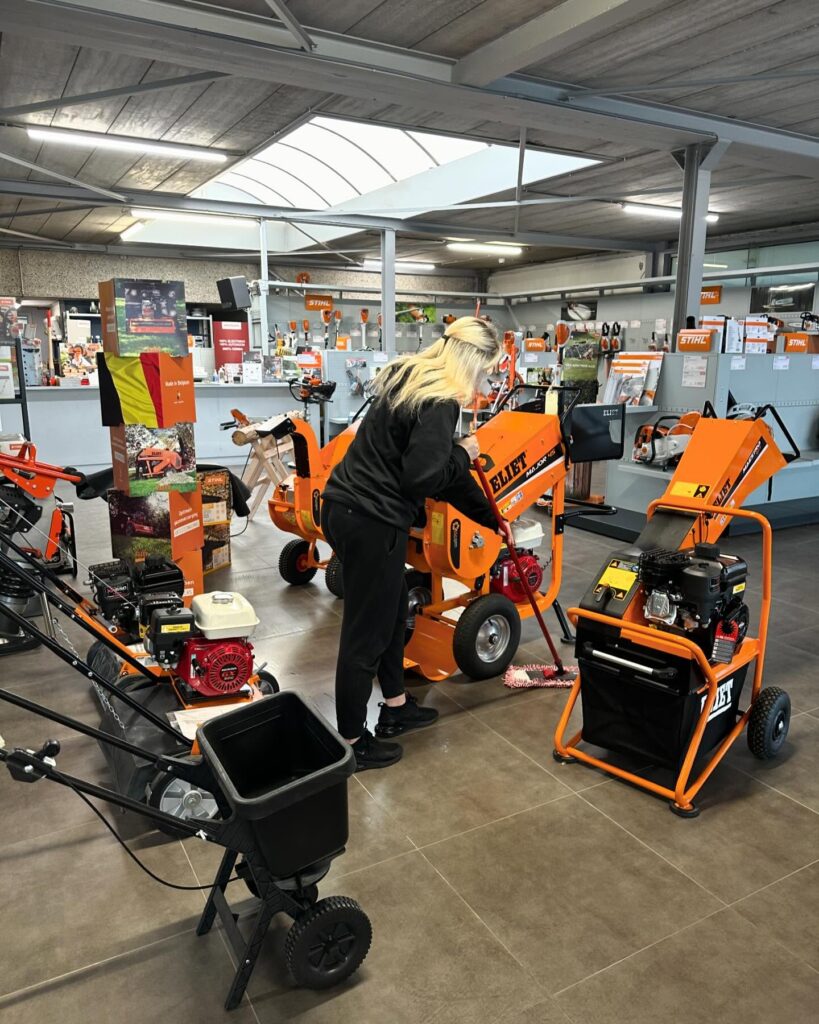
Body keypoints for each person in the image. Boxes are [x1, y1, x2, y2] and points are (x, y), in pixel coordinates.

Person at [322, 316, 510, 771]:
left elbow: (446, 474)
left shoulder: (408, 377)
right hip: (372, 520)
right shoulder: (441, 400)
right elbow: (423, 477)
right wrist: (463, 452)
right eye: (486, 370)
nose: (483, 381)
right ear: (472, 359)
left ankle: (396, 706)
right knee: (365, 634)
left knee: (390, 613)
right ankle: (351, 740)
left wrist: (492, 518)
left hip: (346, 509)